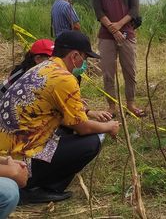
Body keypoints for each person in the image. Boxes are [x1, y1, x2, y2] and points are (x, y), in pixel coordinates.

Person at [0, 31, 120, 204]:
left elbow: (66, 117)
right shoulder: (64, 78)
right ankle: (36, 187)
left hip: (7, 152)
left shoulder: (42, 67)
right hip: (20, 157)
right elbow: (82, 126)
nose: (84, 64)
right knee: (91, 142)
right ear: (74, 56)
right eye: (84, 59)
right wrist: (109, 126)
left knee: (67, 131)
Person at [91, 0, 144, 117]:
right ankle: (112, 106)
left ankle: (130, 104)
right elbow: (99, 13)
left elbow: (134, 10)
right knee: (107, 72)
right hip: (106, 36)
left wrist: (120, 26)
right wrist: (113, 30)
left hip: (127, 34)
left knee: (130, 70)